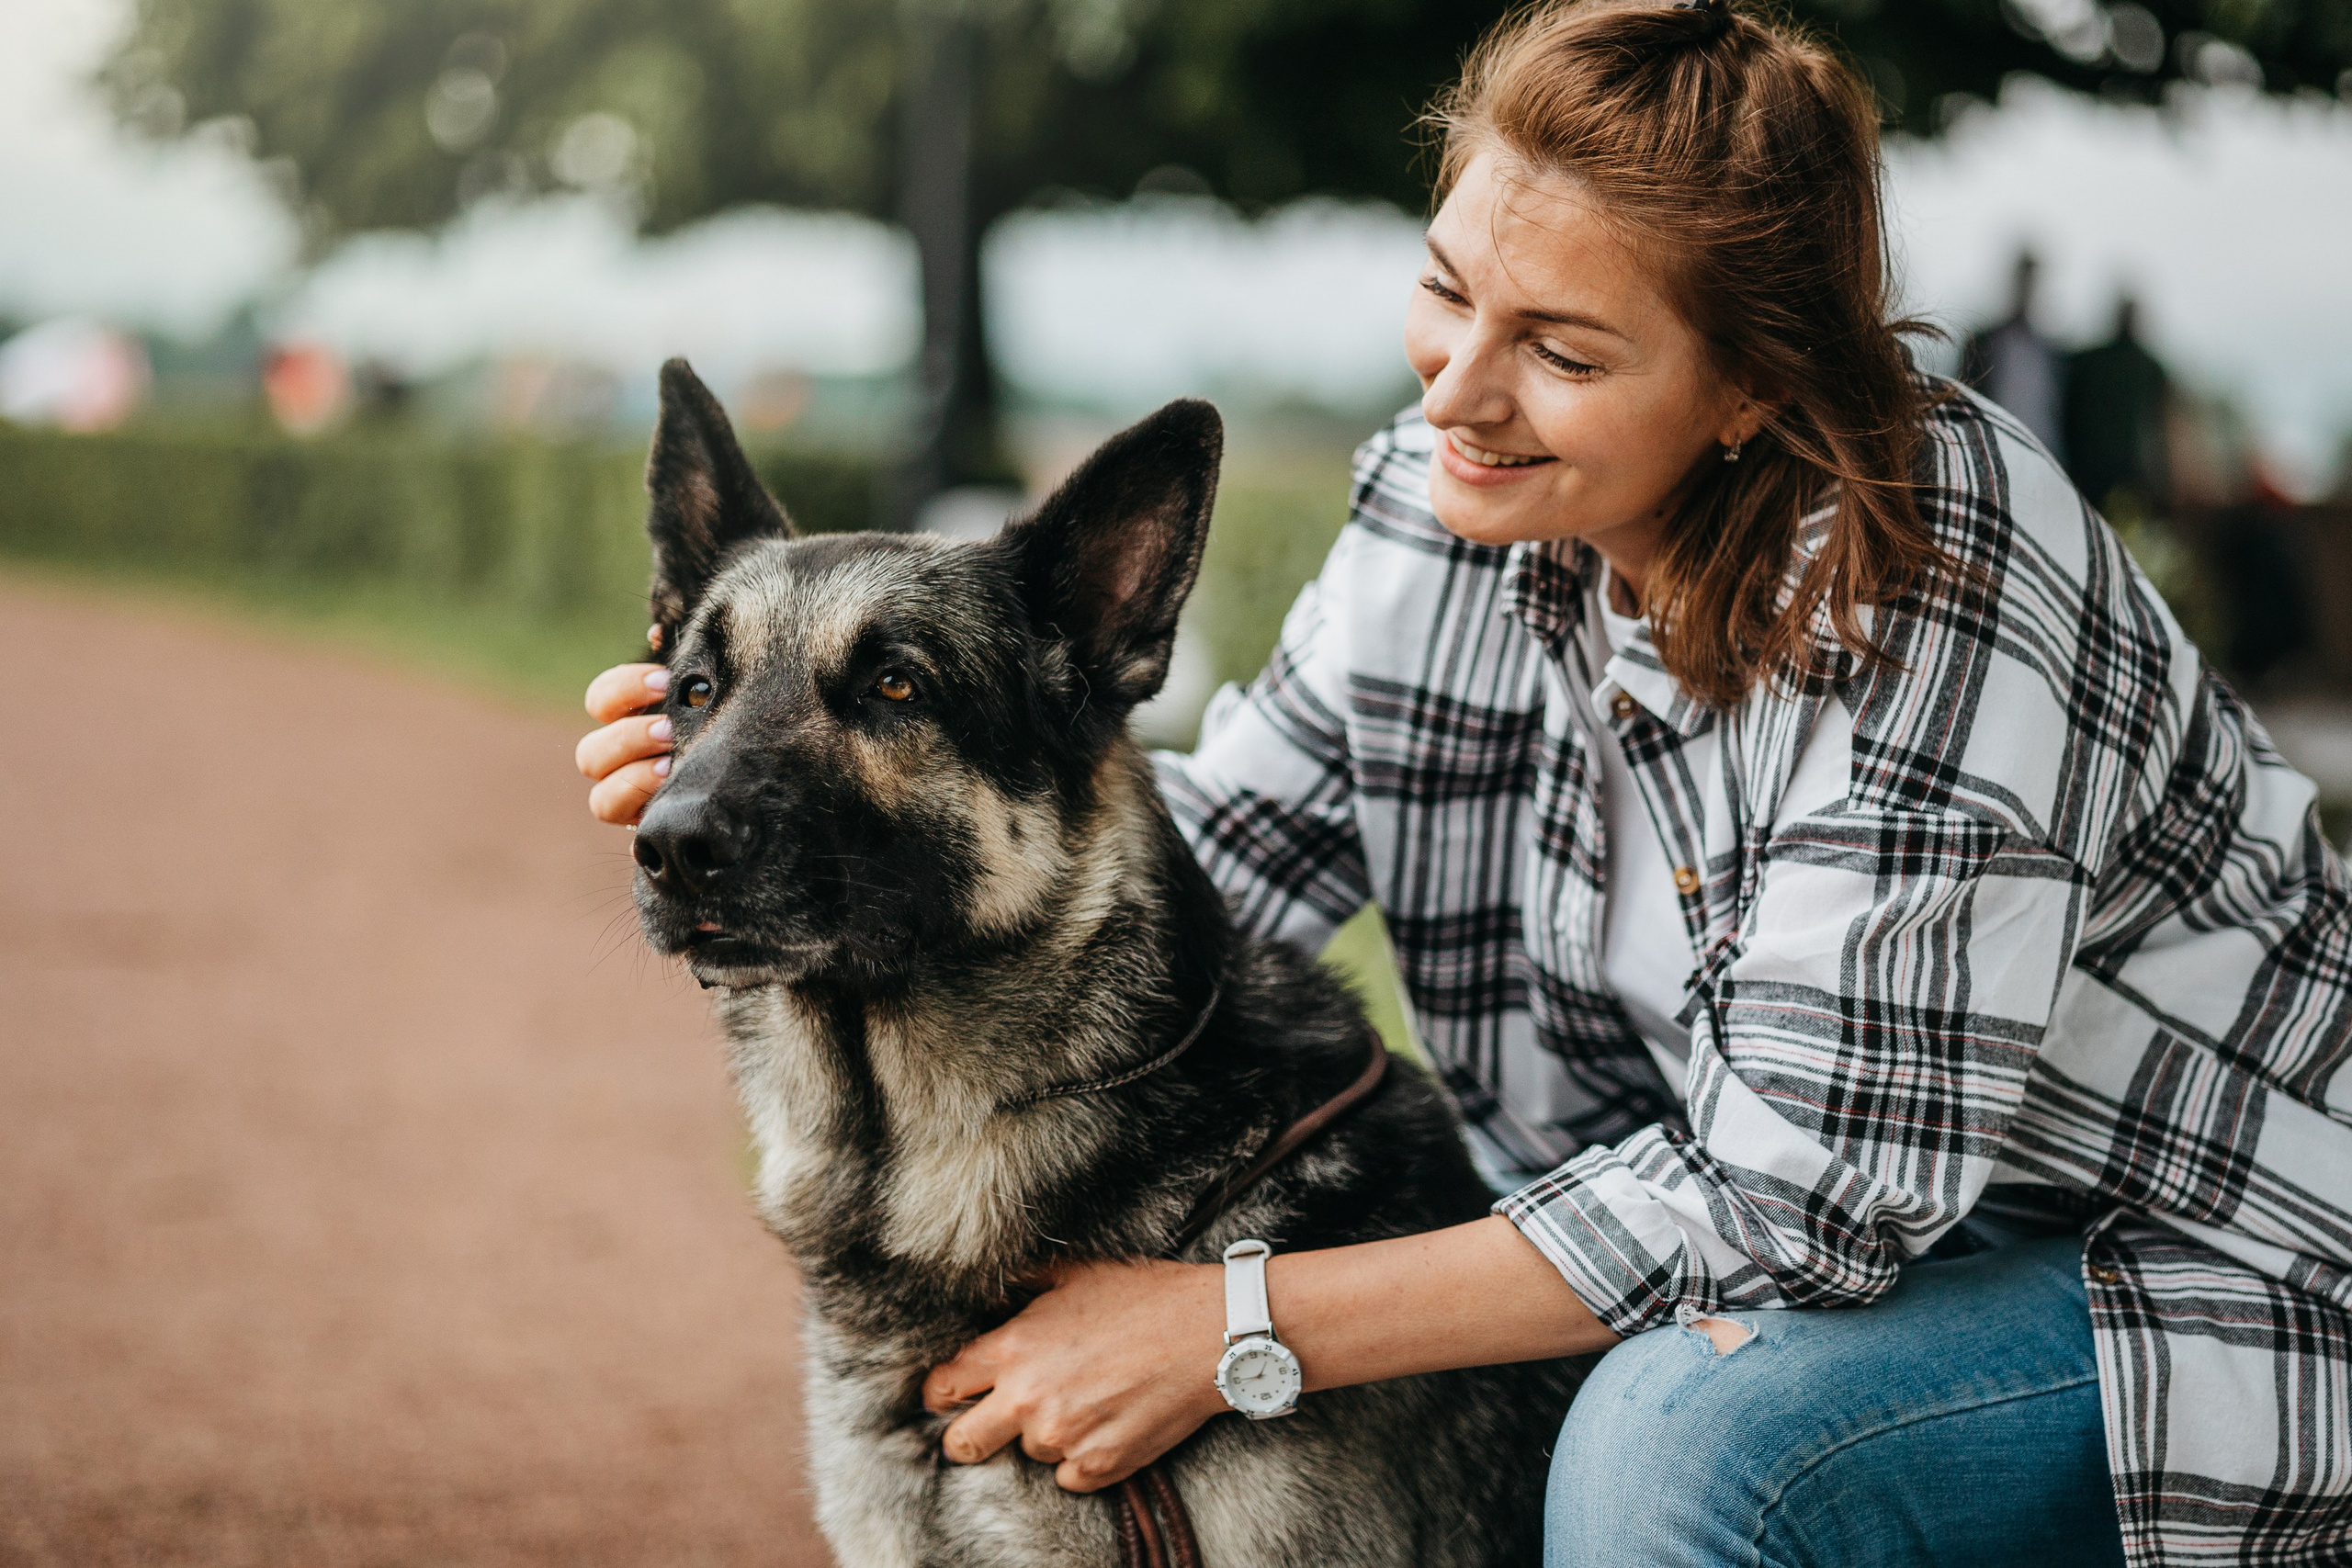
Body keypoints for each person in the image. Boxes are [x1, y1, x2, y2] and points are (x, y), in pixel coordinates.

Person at [574, 3, 2352, 1562]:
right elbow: (1219, 859)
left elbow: (1794, 1203)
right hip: (1811, 1248)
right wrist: (754, 793)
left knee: (1680, 1456)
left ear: (1750, 388)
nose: (1462, 398)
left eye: (1565, 353)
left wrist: (1224, 1324)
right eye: (1447, 290)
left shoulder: (1929, 578)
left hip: (2193, 1266)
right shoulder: (1445, 512)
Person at [2062, 292, 2172, 515]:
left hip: (2129, 472)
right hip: (2093, 468)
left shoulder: (2148, 368)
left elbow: (2159, 426)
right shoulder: (2090, 362)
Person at [1961, 247, 2067, 460]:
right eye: (2025, 281)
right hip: (1991, 452)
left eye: (2033, 283)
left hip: (2041, 455)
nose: (2029, 289)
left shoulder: (2050, 352)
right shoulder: (1983, 342)